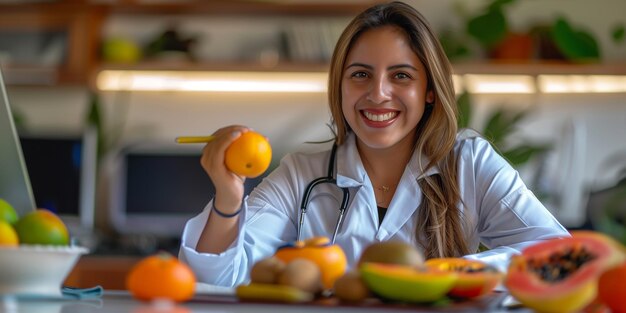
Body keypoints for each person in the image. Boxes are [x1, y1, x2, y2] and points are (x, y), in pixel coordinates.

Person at [179, 1, 569, 286]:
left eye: (400, 76)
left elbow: (558, 254)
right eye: (360, 74)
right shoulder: (303, 173)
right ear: (341, 86)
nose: (378, 94)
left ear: (429, 90)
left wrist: (459, 272)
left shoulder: (470, 162)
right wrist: (228, 198)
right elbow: (214, 279)